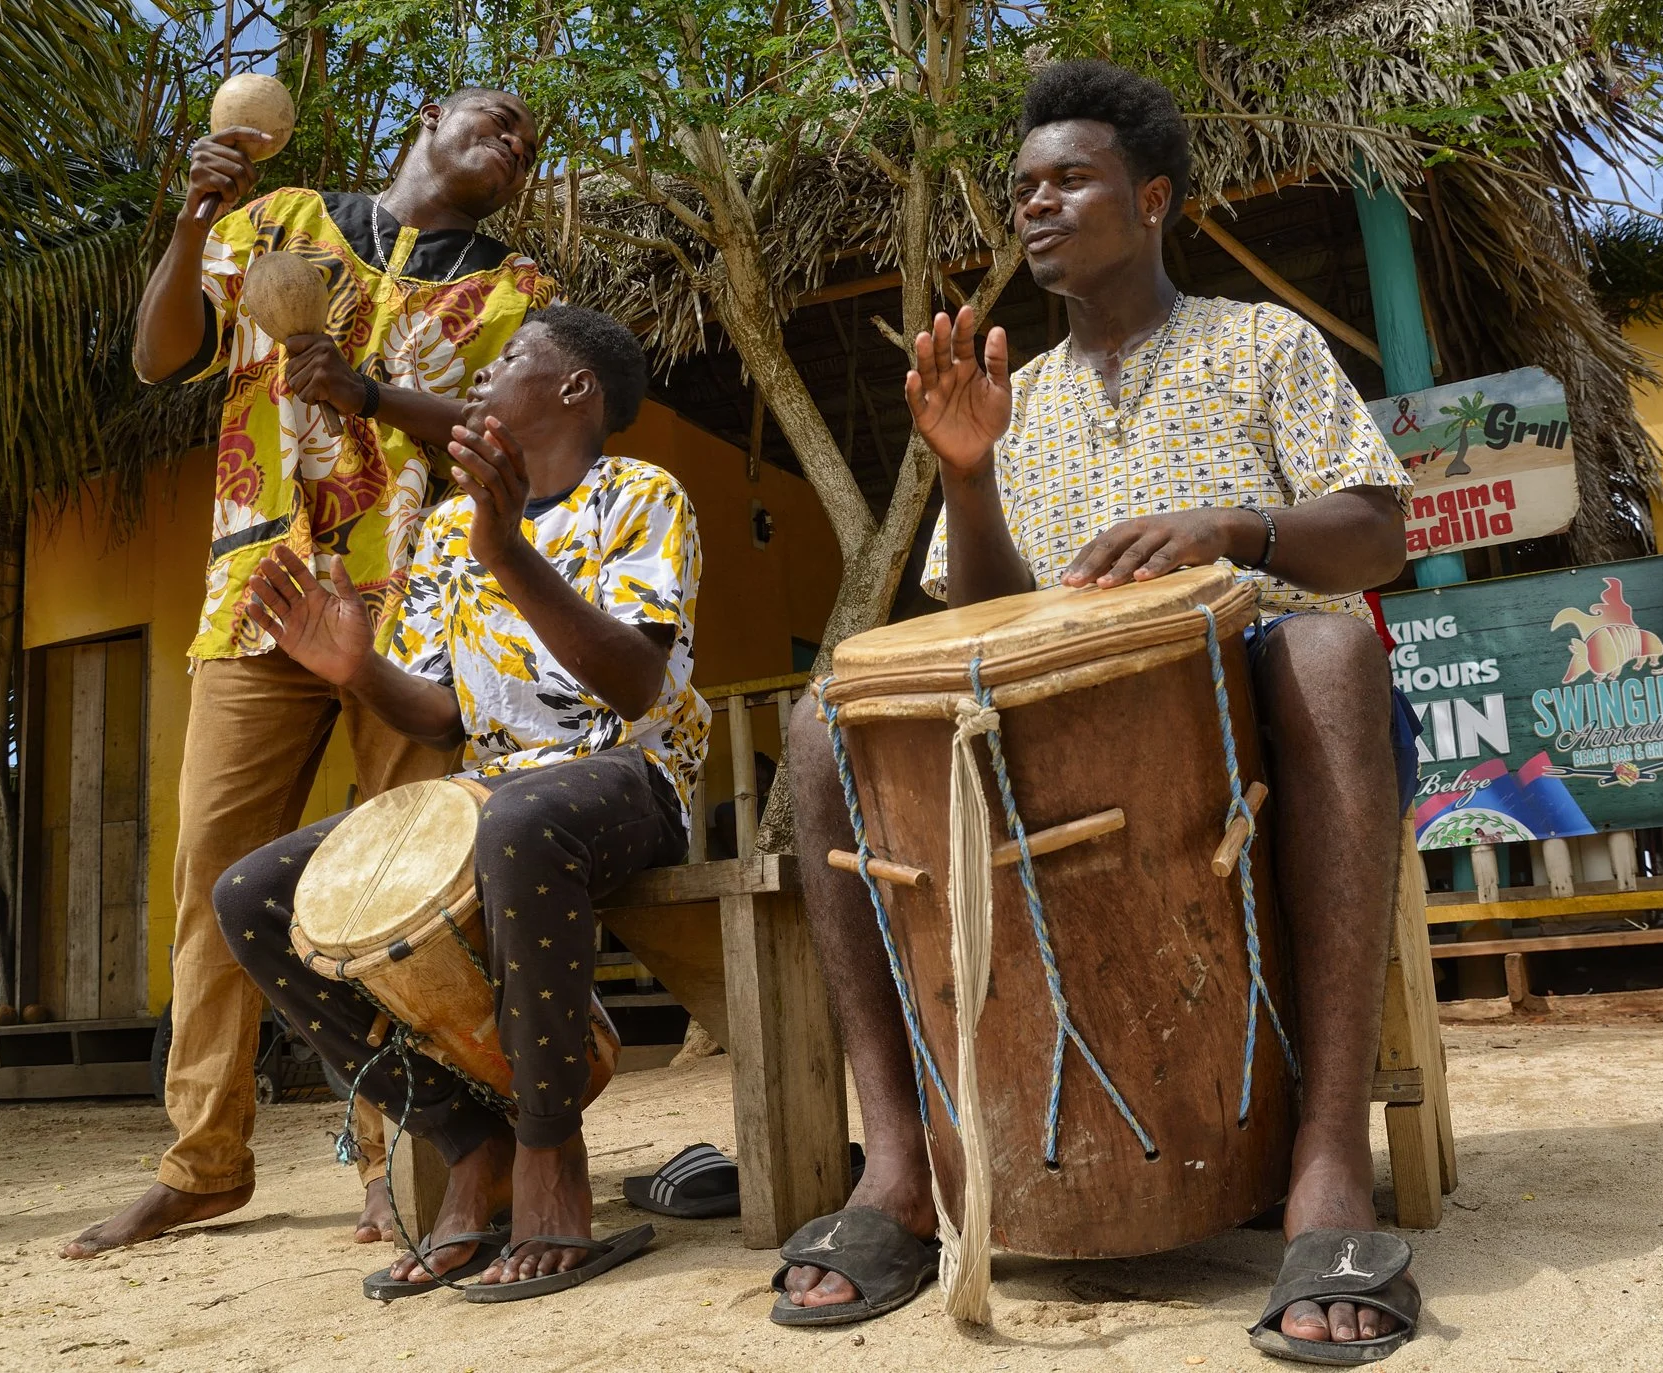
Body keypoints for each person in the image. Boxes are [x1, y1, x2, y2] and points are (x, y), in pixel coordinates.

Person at [776, 61, 1424, 1363]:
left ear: (1155, 199)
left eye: (1070, 179)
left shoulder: (1262, 344)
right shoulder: (1023, 398)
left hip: (1268, 728)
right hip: (1055, 751)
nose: (1038, 205)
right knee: (816, 719)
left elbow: (1374, 538)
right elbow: (989, 620)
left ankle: (1328, 1165)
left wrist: (1235, 526)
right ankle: (899, 1165)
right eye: (1023, 188)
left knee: (1333, 654)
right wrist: (966, 471)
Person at [65, 86, 552, 1259]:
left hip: (411, 607)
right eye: (496, 116)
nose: (516, 140)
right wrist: (191, 221)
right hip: (258, 595)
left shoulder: (518, 291)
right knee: (212, 875)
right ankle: (202, 1162)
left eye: (529, 142)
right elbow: (157, 355)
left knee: (399, 888)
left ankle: (396, 1162)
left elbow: (517, 445)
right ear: (427, 117)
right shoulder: (280, 220)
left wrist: (373, 395)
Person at [217, 303, 710, 1300]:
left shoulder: (641, 494)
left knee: (521, 820)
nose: (478, 378)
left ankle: (547, 1151)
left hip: (629, 776)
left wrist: (510, 553)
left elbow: (632, 684)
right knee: (256, 893)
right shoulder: (449, 523)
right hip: (488, 788)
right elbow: (441, 714)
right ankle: (463, 1132)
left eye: (508, 360)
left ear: (574, 387)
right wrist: (354, 671)